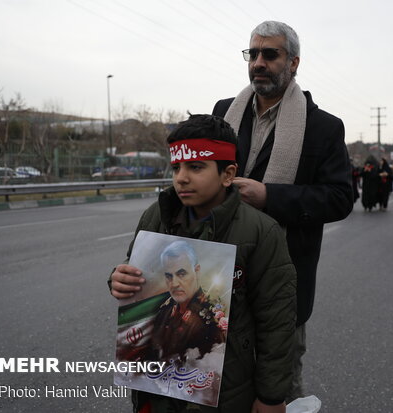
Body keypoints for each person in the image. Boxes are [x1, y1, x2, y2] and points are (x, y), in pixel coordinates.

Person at [109, 114, 297, 413]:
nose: (181, 177)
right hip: (155, 391)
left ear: (227, 174)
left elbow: (276, 322)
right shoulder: (155, 216)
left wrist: (271, 396)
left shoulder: (260, 232)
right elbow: (132, 271)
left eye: (196, 167)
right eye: (176, 167)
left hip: (224, 394)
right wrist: (118, 279)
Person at [211, 21, 353, 402]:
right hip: (217, 276)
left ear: (294, 63)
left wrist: (270, 197)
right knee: (220, 384)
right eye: (252, 54)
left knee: (278, 390)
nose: (258, 62)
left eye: (269, 54)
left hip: (282, 280)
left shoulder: (323, 127)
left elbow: (340, 197)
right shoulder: (224, 113)